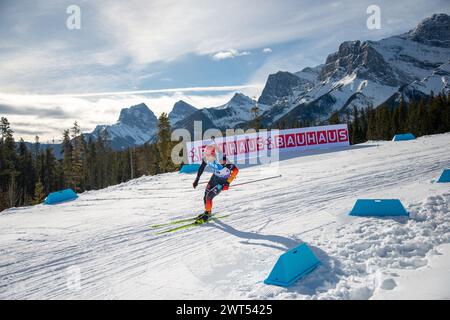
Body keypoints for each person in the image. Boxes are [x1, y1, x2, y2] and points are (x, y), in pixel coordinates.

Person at [192, 144, 239, 222]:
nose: (206, 157)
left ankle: (207, 214)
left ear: (213, 154)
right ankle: (208, 212)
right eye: (205, 155)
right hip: (214, 177)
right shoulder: (206, 158)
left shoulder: (221, 160)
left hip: (222, 181)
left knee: (209, 197)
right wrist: (197, 179)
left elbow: (236, 170)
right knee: (205, 196)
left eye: (208, 155)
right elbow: (202, 167)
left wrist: (227, 183)